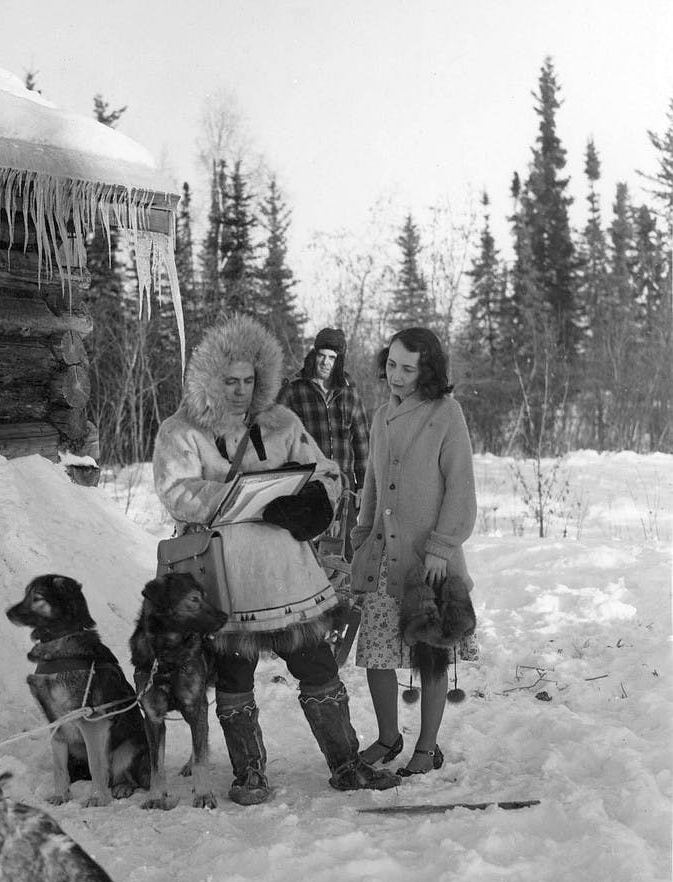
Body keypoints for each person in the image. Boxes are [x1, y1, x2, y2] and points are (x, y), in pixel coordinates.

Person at [151, 313, 399, 805]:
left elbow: (326, 471)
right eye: (230, 381)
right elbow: (176, 491)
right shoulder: (180, 430)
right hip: (225, 576)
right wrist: (242, 497)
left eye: (249, 381)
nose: (241, 391)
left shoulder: (282, 422)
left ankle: (347, 764)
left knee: (317, 663)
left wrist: (313, 503)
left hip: (288, 574)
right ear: (209, 378)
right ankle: (249, 775)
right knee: (235, 675)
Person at [350, 327, 478, 777]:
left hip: (430, 560)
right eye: (391, 365)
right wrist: (363, 533)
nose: (396, 376)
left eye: (408, 368)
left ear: (428, 370)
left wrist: (443, 545)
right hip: (385, 554)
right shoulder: (382, 413)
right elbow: (371, 478)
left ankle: (428, 746)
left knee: (431, 654)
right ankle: (388, 737)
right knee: (378, 652)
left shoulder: (447, 413)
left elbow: (461, 485)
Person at [278, 327, 370, 559]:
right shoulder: (294, 389)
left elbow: (361, 441)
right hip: (309, 481)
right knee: (309, 549)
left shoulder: (349, 392)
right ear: (314, 354)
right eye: (322, 355)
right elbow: (277, 438)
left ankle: (345, 594)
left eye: (332, 358)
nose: (326, 363)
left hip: (345, 484)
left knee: (345, 548)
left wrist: (363, 484)